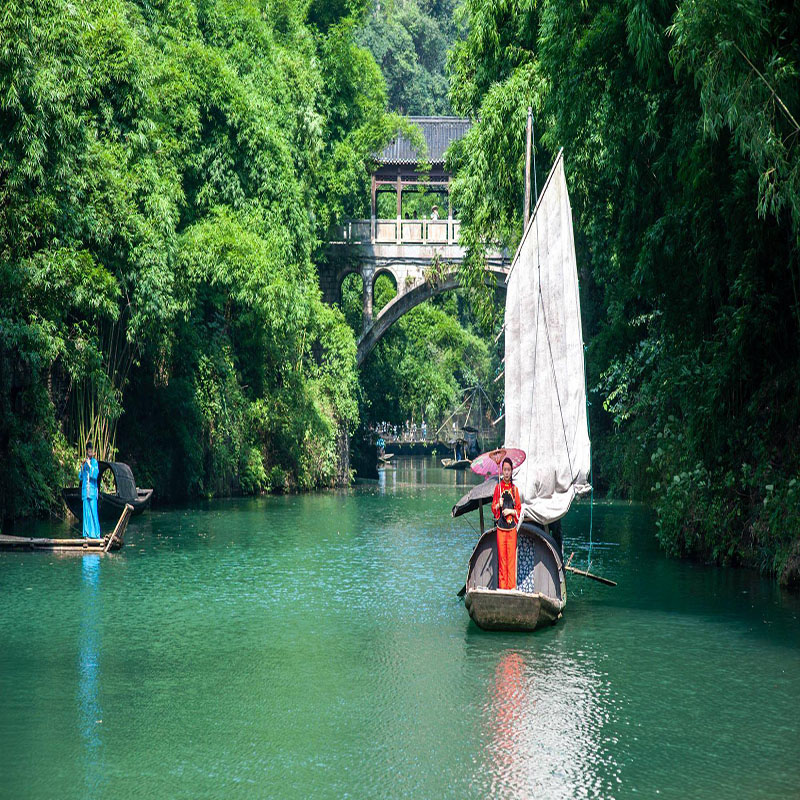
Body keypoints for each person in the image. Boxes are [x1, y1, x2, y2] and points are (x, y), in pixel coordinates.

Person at [491, 458, 521, 589]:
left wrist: (510, 510)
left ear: (512, 471)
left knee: (511, 560)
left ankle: (511, 588)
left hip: (512, 529)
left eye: (509, 470)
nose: (507, 472)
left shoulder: (515, 490)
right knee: (502, 561)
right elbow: (493, 509)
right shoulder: (498, 488)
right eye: (505, 470)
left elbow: (519, 510)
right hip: (501, 529)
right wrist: (499, 504)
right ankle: (503, 588)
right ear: (502, 471)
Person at [79, 441, 101, 539]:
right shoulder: (84, 463)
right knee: (86, 513)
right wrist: (83, 466)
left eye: (91, 451)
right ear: (87, 452)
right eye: (89, 451)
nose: (90, 453)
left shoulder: (95, 462)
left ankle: (96, 535)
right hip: (85, 492)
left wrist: (90, 466)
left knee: (93, 513)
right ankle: (86, 534)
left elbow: (95, 475)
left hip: (92, 492)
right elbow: (80, 477)